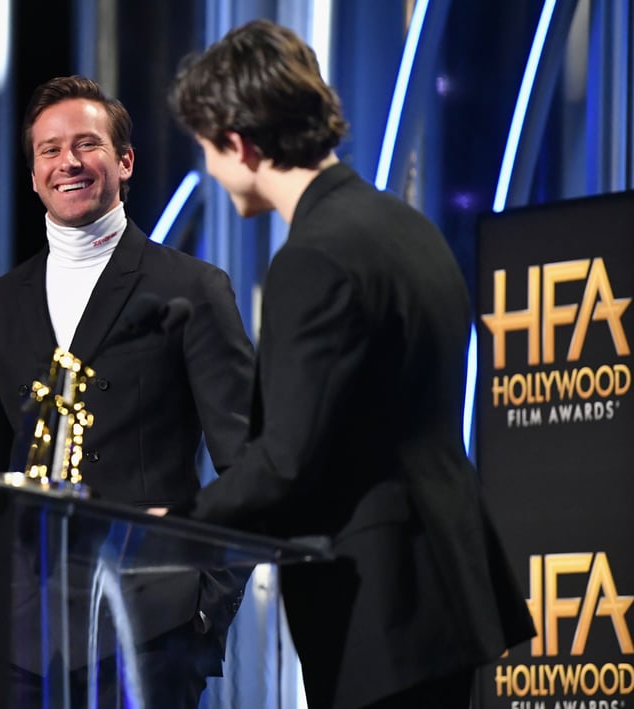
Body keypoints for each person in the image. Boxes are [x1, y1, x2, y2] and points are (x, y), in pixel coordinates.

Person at [164, 19, 535, 709]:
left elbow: (286, 462)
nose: (210, 171)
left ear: (239, 143)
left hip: (382, 608)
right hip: (445, 587)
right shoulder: (407, 226)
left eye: (206, 150)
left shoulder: (312, 258)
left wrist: (176, 521)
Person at [0, 76, 255, 707]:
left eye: (86, 144)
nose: (67, 162)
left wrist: (206, 610)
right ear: (34, 173)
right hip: (19, 640)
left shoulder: (194, 288)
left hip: (151, 629)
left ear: (123, 162)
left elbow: (248, 468)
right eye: (49, 149)